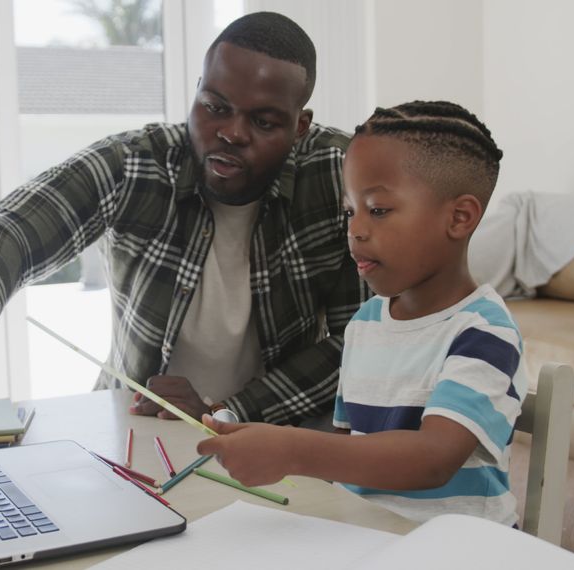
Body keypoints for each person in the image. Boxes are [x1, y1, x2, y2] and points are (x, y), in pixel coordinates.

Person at [0, 12, 367, 439]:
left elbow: (363, 340)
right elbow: (7, 234)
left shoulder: (341, 175)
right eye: (215, 107)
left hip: (278, 438)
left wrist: (229, 410)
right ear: (197, 92)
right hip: (136, 431)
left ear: (300, 127)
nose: (232, 133)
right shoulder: (134, 165)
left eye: (263, 122)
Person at [196, 101, 528, 526]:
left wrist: (291, 450)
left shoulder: (482, 332)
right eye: (349, 211)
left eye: (379, 210)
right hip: (370, 539)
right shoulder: (365, 324)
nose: (355, 229)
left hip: (460, 552)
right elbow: (349, 452)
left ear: (459, 217)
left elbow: (433, 460)